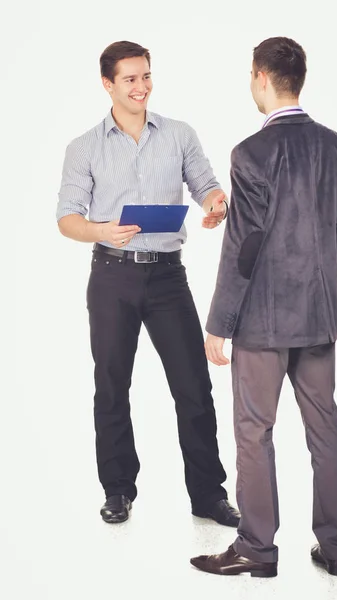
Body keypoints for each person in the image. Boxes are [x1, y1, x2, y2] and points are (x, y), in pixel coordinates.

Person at [190, 36, 337, 577]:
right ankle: (336, 548)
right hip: (319, 314)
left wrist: (218, 323)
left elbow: (244, 248)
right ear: (297, 78)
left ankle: (257, 550)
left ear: (261, 76)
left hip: (263, 321)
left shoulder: (250, 153)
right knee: (325, 427)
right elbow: (336, 232)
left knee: (254, 432)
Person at [56, 40, 240, 528]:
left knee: (193, 385)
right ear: (107, 85)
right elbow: (66, 219)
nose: (141, 87)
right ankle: (118, 490)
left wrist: (215, 205)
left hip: (167, 277)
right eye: (130, 79)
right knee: (112, 384)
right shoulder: (83, 147)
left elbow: (207, 185)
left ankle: (208, 494)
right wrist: (101, 230)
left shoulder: (178, 134)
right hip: (111, 274)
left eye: (146, 76)